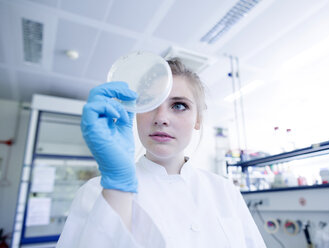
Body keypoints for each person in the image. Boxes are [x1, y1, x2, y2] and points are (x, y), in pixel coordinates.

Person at [57, 58, 266, 248]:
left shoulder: (224, 191)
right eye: (151, 103)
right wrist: (117, 189)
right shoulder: (96, 192)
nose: (161, 118)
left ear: (198, 120)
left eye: (179, 105)